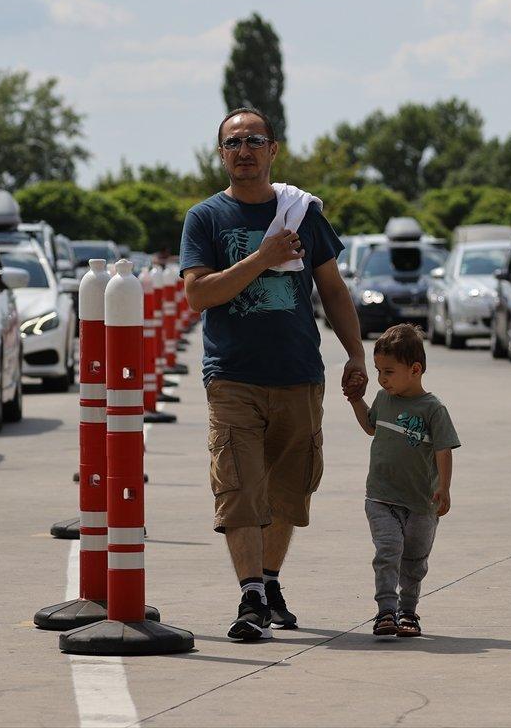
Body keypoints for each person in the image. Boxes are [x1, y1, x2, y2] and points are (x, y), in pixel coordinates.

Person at [180, 107, 368, 641]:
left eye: (254, 140)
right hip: (232, 377)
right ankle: (250, 596)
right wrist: (262, 258)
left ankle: (267, 581)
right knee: (239, 488)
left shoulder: (302, 214)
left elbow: (333, 290)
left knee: (289, 492)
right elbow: (198, 294)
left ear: (273, 150)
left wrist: (356, 355)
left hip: (298, 374)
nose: (244, 150)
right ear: (221, 154)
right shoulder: (205, 218)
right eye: (233, 142)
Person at [346, 324, 459, 639]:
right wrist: (356, 400)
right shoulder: (383, 398)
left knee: (414, 561)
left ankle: (408, 611)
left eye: (389, 372)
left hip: (421, 502)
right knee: (388, 550)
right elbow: (371, 427)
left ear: (415, 369)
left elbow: (444, 449)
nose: (382, 379)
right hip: (381, 497)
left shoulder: (433, 409)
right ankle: (386, 610)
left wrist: (444, 487)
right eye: (378, 371)